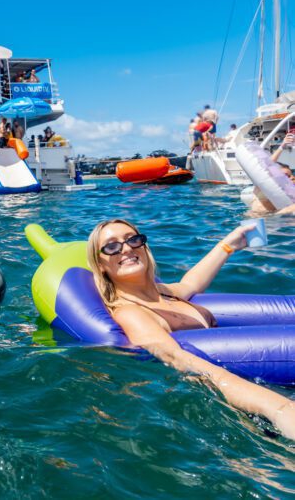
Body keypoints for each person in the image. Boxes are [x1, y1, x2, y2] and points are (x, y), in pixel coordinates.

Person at [87, 218, 295, 439]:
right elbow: (175, 358)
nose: (127, 248)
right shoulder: (131, 313)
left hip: (263, 379)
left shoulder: (165, 292)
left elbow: (191, 284)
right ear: (101, 265)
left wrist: (228, 245)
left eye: (133, 240)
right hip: (239, 406)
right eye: (112, 246)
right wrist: (277, 407)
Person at [250, 133, 295, 215]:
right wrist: (282, 146)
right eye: (286, 176)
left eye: (291, 175)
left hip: (274, 220)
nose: (291, 177)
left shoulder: (287, 191)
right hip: (258, 218)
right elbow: (268, 165)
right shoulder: (263, 184)